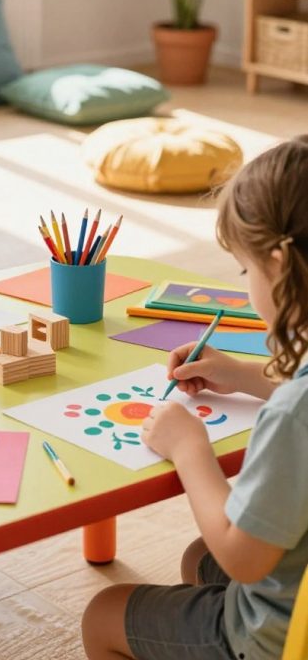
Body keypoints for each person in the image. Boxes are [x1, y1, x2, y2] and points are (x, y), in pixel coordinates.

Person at [82, 137, 308, 660]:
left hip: (281, 634)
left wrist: (189, 448)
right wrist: (246, 376)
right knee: (195, 559)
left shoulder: (292, 415)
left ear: (277, 263)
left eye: (245, 271)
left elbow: (242, 560)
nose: (247, 282)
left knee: (104, 613)